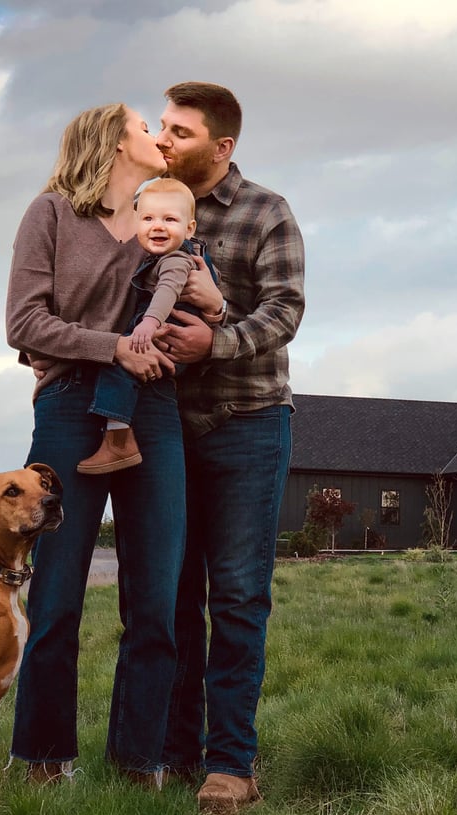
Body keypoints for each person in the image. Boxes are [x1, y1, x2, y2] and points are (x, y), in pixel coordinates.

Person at [4, 102, 185, 788]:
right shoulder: (49, 214)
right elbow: (24, 322)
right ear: (113, 142)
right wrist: (113, 346)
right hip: (70, 408)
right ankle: (43, 760)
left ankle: (139, 763)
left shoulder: (159, 222)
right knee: (55, 594)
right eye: (146, 126)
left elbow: (185, 305)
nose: (158, 136)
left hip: (156, 408)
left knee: (156, 597)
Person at [153, 82, 306, 812]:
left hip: (248, 424)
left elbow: (285, 311)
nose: (163, 140)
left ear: (222, 146)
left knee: (239, 598)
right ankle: (175, 752)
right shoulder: (149, 208)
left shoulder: (266, 211)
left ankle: (232, 762)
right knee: (174, 596)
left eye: (178, 131)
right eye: (160, 127)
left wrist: (218, 340)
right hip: (168, 432)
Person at [77, 177, 222, 476]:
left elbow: (168, 290)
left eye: (169, 219)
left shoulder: (176, 259)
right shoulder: (165, 255)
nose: (157, 226)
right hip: (169, 338)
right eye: (148, 219)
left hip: (165, 333)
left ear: (189, 228)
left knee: (118, 364)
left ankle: (118, 439)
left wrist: (148, 322)